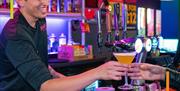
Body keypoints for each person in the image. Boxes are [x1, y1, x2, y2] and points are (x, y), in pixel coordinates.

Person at [0, 0, 129, 91]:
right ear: (21, 1)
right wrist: (98, 72)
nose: (45, 3)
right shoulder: (15, 34)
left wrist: (56, 75)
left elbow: (35, 60)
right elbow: (45, 86)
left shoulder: (39, 19)